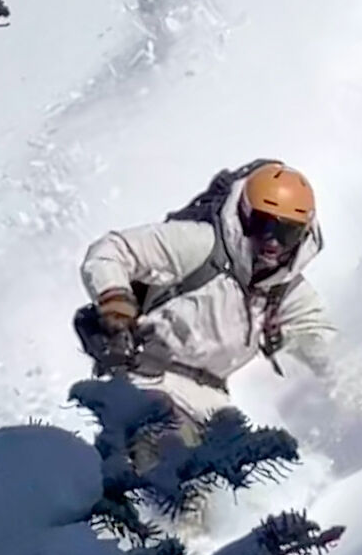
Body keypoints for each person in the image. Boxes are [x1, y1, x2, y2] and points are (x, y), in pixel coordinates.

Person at [79, 161, 340, 462]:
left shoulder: (288, 294)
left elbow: (330, 349)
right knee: (162, 467)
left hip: (212, 406)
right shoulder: (201, 244)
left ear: (304, 234)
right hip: (147, 380)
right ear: (243, 214)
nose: (272, 242)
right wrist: (115, 299)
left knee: (230, 490)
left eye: (286, 232)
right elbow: (111, 250)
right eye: (263, 225)